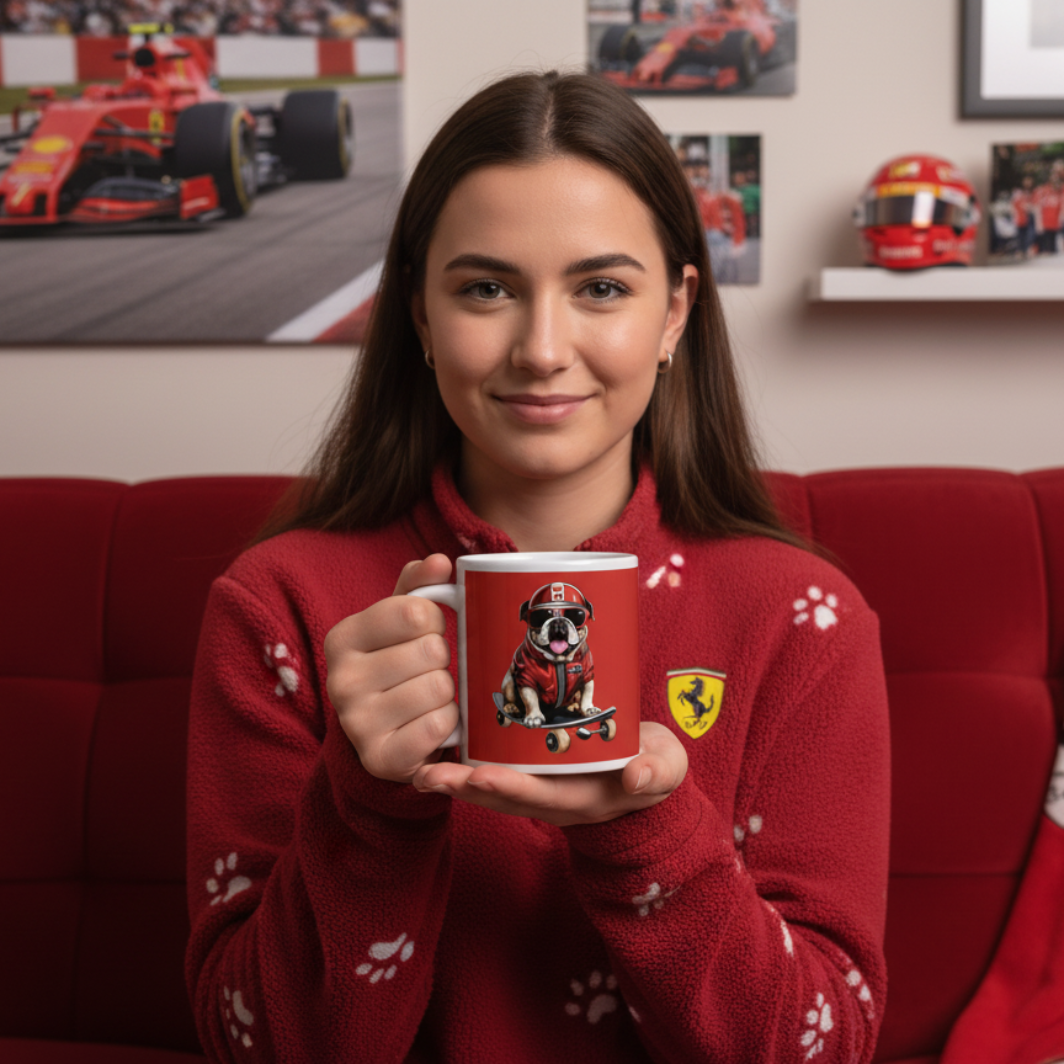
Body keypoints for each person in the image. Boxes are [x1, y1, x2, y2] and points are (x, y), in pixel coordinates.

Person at [186, 70, 890, 1063]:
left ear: (677, 312)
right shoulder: (278, 605)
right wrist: (369, 804)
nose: (542, 348)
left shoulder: (802, 617)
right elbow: (253, 1043)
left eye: (600, 287)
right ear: (420, 318)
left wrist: (647, 827)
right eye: (485, 288)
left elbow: (815, 1046)